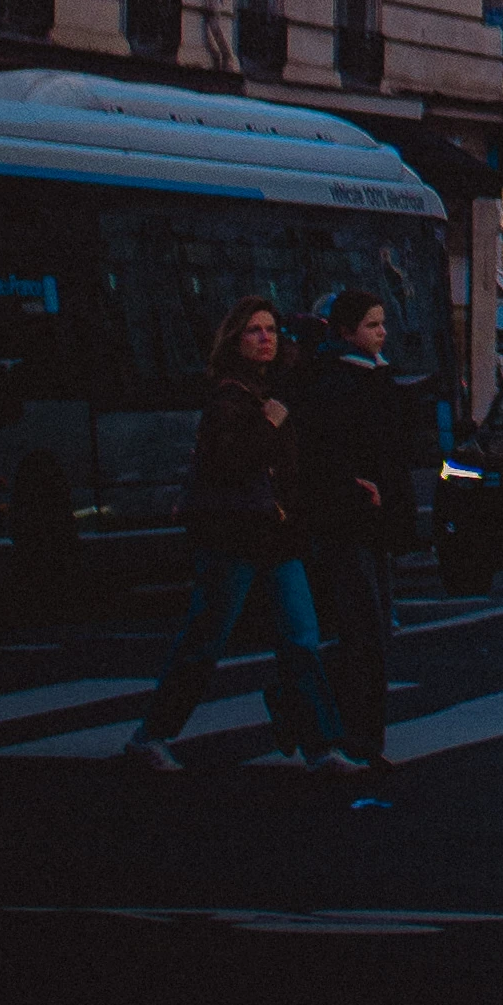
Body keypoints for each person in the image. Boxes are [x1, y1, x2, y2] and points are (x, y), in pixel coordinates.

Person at [124, 299, 351, 773]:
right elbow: (230, 463)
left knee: (301, 639)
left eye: (271, 330)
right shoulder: (228, 397)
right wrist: (269, 422)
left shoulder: (274, 388)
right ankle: (152, 734)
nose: (266, 339)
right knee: (207, 640)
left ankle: (320, 745)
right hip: (234, 535)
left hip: (275, 533)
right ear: (235, 339)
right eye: (253, 331)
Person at [294, 288, 413, 770]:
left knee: (371, 634)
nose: (381, 333)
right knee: (364, 634)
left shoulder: (371, 376)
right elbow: (326, 452)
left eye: (382, 324)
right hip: (349, 522)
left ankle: (362, 737)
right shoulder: (336, 381)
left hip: (370, 521)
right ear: (345, 331)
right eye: (371, 325)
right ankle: (357, 738)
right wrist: (357, 487)